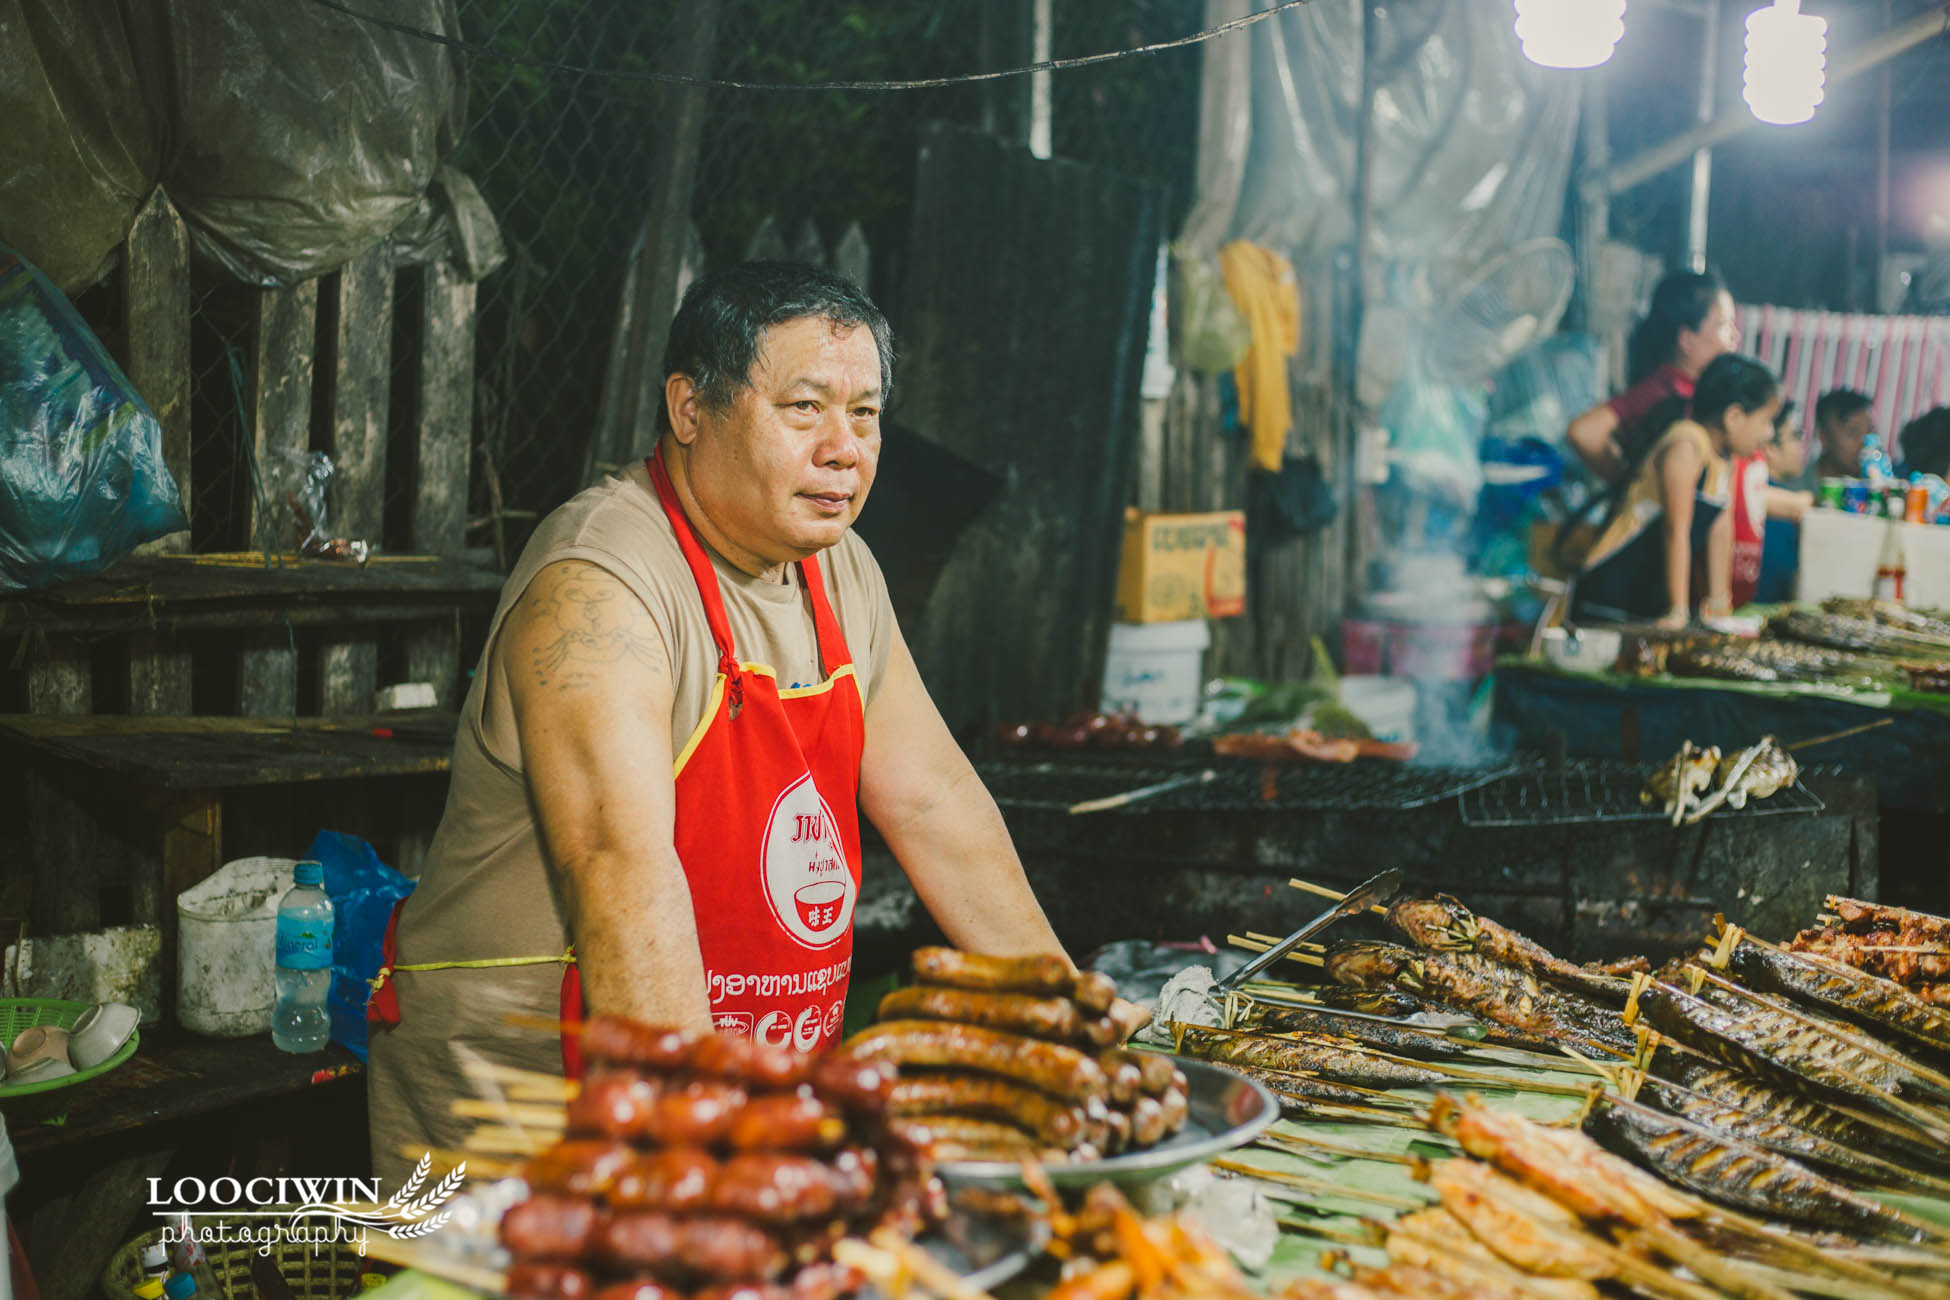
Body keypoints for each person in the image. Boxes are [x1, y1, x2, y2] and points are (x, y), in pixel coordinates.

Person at [366, 263, 1069, 1181]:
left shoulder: (841, 569)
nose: (843, 449)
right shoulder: (601, 584)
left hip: (748, 1088)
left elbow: (936, 802)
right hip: (523, 1102)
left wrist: (1071, 1020)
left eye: (865, 414)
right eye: (804, 407)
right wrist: (703, 1147)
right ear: (691, 409)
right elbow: (622, 868)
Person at [1573, 354, 1781, 628]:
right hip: (1609, 595)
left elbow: (1721, 529)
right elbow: (1675, 530)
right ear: (1734, 417)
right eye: (1767, 421)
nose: (1769, 433)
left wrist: (1720, 606)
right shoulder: (1686, 444)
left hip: (1645, 601)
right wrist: (1677, 611)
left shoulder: (1723, 459)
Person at [1565, 270, 1740, 483]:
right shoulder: (1661, 390)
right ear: (1686, 339)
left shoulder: (1698, 391)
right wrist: (1631, 483)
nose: (1735, 337)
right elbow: (1583, 432)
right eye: (1724, 325)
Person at [1809, 388, 1874, 483]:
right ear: (1823, 437)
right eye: (1852, 432)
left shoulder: (1872, 489)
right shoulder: (1793, 492)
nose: (1864, 443)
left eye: (1869, 432)